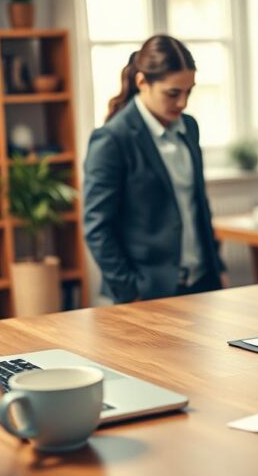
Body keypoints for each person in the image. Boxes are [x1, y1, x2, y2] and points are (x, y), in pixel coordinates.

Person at [84, 35, 225, 303]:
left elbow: (198, 204)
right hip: (146, 294)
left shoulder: (190, 127)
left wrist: (218, 268)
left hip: (202, 286)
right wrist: (131, 291)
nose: (182, 103)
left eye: (189, 91)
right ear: (142, 83)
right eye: (173, 93)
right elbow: (97, 227)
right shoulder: (112, 139)